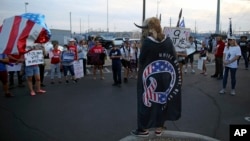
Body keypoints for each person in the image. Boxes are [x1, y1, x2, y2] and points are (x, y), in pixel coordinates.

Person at [131, 17, 181, 137]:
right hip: (166, 76)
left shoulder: (147, 42)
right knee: (162, 101)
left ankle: (143, 129)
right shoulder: (168, 40)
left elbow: (142, 60)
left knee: (145, 101)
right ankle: (159, 127)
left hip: (150, 76)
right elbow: (173, 57)